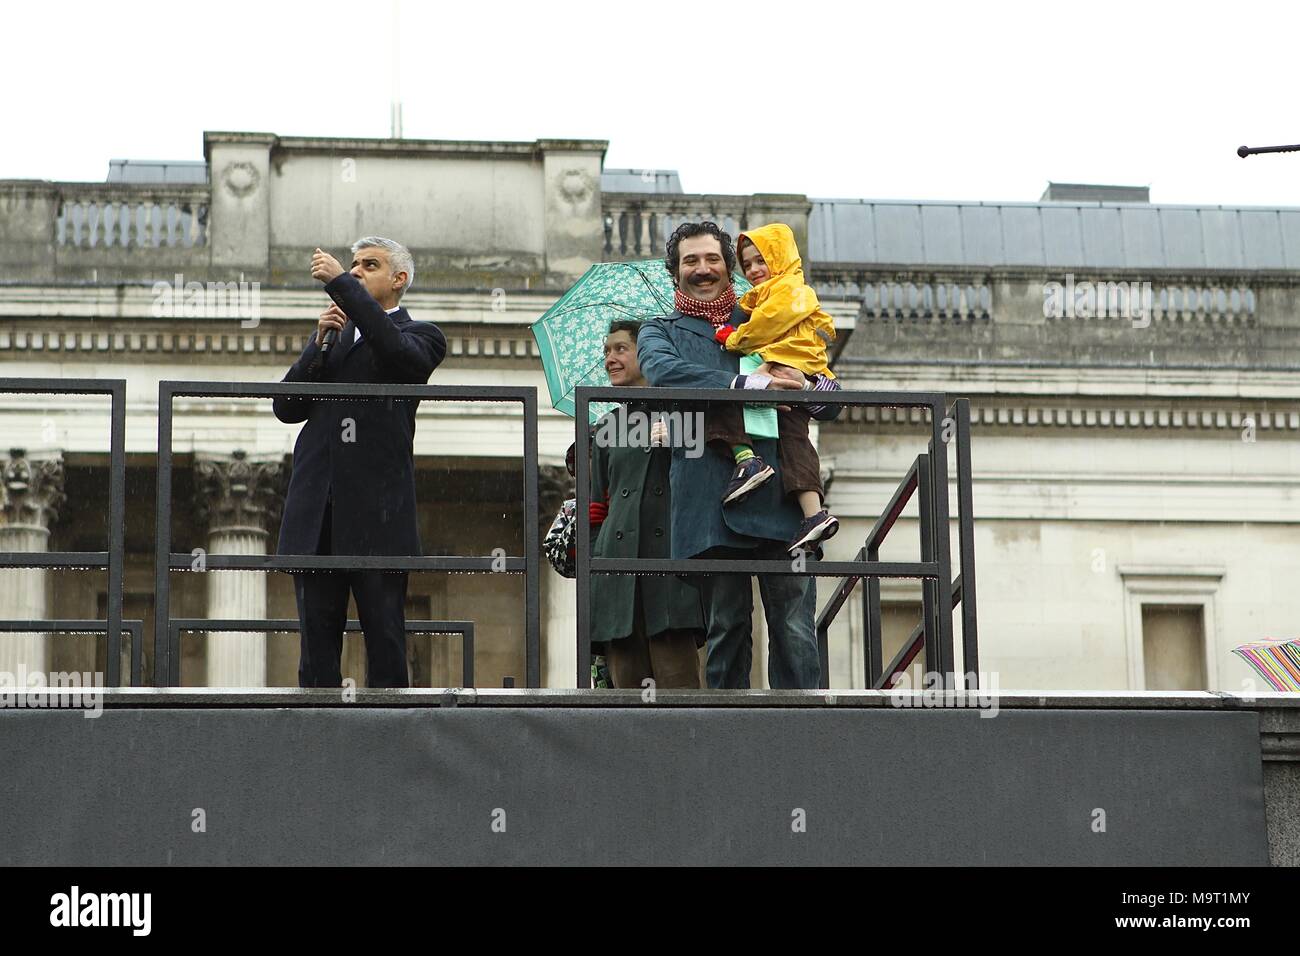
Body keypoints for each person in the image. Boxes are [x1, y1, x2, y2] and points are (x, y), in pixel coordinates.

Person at [636, 221, 839, 690]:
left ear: (730, 269)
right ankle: (725, 745)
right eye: (691, 260)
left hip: (783, 499)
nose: (703, 269)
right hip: (710, 499)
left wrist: (805, 386)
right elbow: (664, 373)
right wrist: (744, 384)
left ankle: (803, 735)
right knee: (727, 630)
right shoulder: (657, 330)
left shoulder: (770, 314)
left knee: (795, 632)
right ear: (675, 272)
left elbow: (832, 399)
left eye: (712, 259)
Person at [272, 237, 447, 688]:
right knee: (316, 653)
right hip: (319, 515)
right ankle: (318, 745)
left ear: (399, 279)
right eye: (351, 265)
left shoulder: (422, 336)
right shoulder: (336, 338)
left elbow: (395, 353)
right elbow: (287, 408)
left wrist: (339, 286)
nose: (355, 272)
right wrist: (317, 344)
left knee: (386, 644)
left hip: (378, 519)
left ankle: (388, 746)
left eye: (369, 265)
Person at [707, 222, 842, 556]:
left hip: (791, 365)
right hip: (786, 373)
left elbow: (765, 327)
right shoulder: (757, 299)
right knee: (795, 440)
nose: (752, 270)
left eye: (760, 261)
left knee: (737, 396)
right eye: (747, 264)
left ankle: (749, 462)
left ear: (780, 258)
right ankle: (814, 515)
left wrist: (731, 337)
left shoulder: (789, 289)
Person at [586, 320, 705, 688]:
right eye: (606, 351)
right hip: (617, 577)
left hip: (670, 575)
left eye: (621, 349)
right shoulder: (605, 426)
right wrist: (594, 580)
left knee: (679, 695)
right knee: (623, 708)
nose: (611, 359)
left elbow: (702, 488)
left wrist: (676, 442)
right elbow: (595, 510)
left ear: (648, 353)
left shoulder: (687, 414)